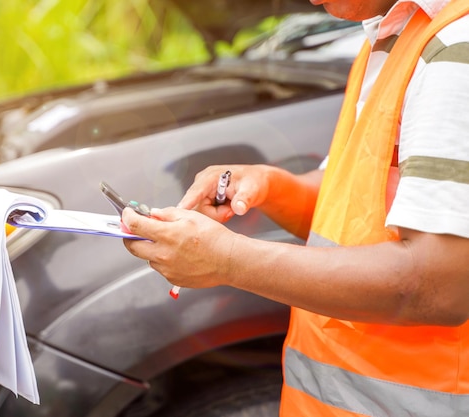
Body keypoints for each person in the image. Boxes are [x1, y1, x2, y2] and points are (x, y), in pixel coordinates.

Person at [122, 0, 469, 415]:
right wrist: (268, 186)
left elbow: (442, 284)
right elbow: (349, 209)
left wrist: (228, 260)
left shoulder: (454, 51)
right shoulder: (393, 34)